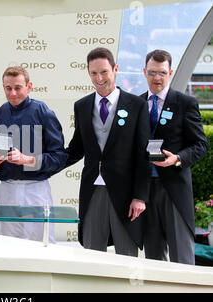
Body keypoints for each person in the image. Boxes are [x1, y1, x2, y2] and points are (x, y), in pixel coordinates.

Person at [64, 47, 150, 256]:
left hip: (125, 193)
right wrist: (41, 162)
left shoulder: (137, 105)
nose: (99, 78)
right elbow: (75, 149)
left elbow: (143, 154)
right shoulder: (82, 106)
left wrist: (140, 197)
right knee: (92, 253)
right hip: (93, 190)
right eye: (94, 73)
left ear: (115, 69)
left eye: (104, 71)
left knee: (126, 255)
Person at [141, 49, 208, 264]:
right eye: (152, 73)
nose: (157, 78)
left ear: (170, 73)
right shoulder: (136, 104)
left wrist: (177, 158)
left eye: (162, 73)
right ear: (144, 72)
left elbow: (200, 145)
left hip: (174, 189)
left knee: (182, 259)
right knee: (153, 258)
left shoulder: (185, 103)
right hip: (145, 190)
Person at [0, 66, 67, 242]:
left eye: (18, 87)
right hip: (7, 189)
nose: (13, 93)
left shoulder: (42, 112)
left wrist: (28, 159)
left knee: (42, 242)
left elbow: (59, 156)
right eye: (8, 88)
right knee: (9, 243)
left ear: (29, 86)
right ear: (3, 87)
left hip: (36, 188)